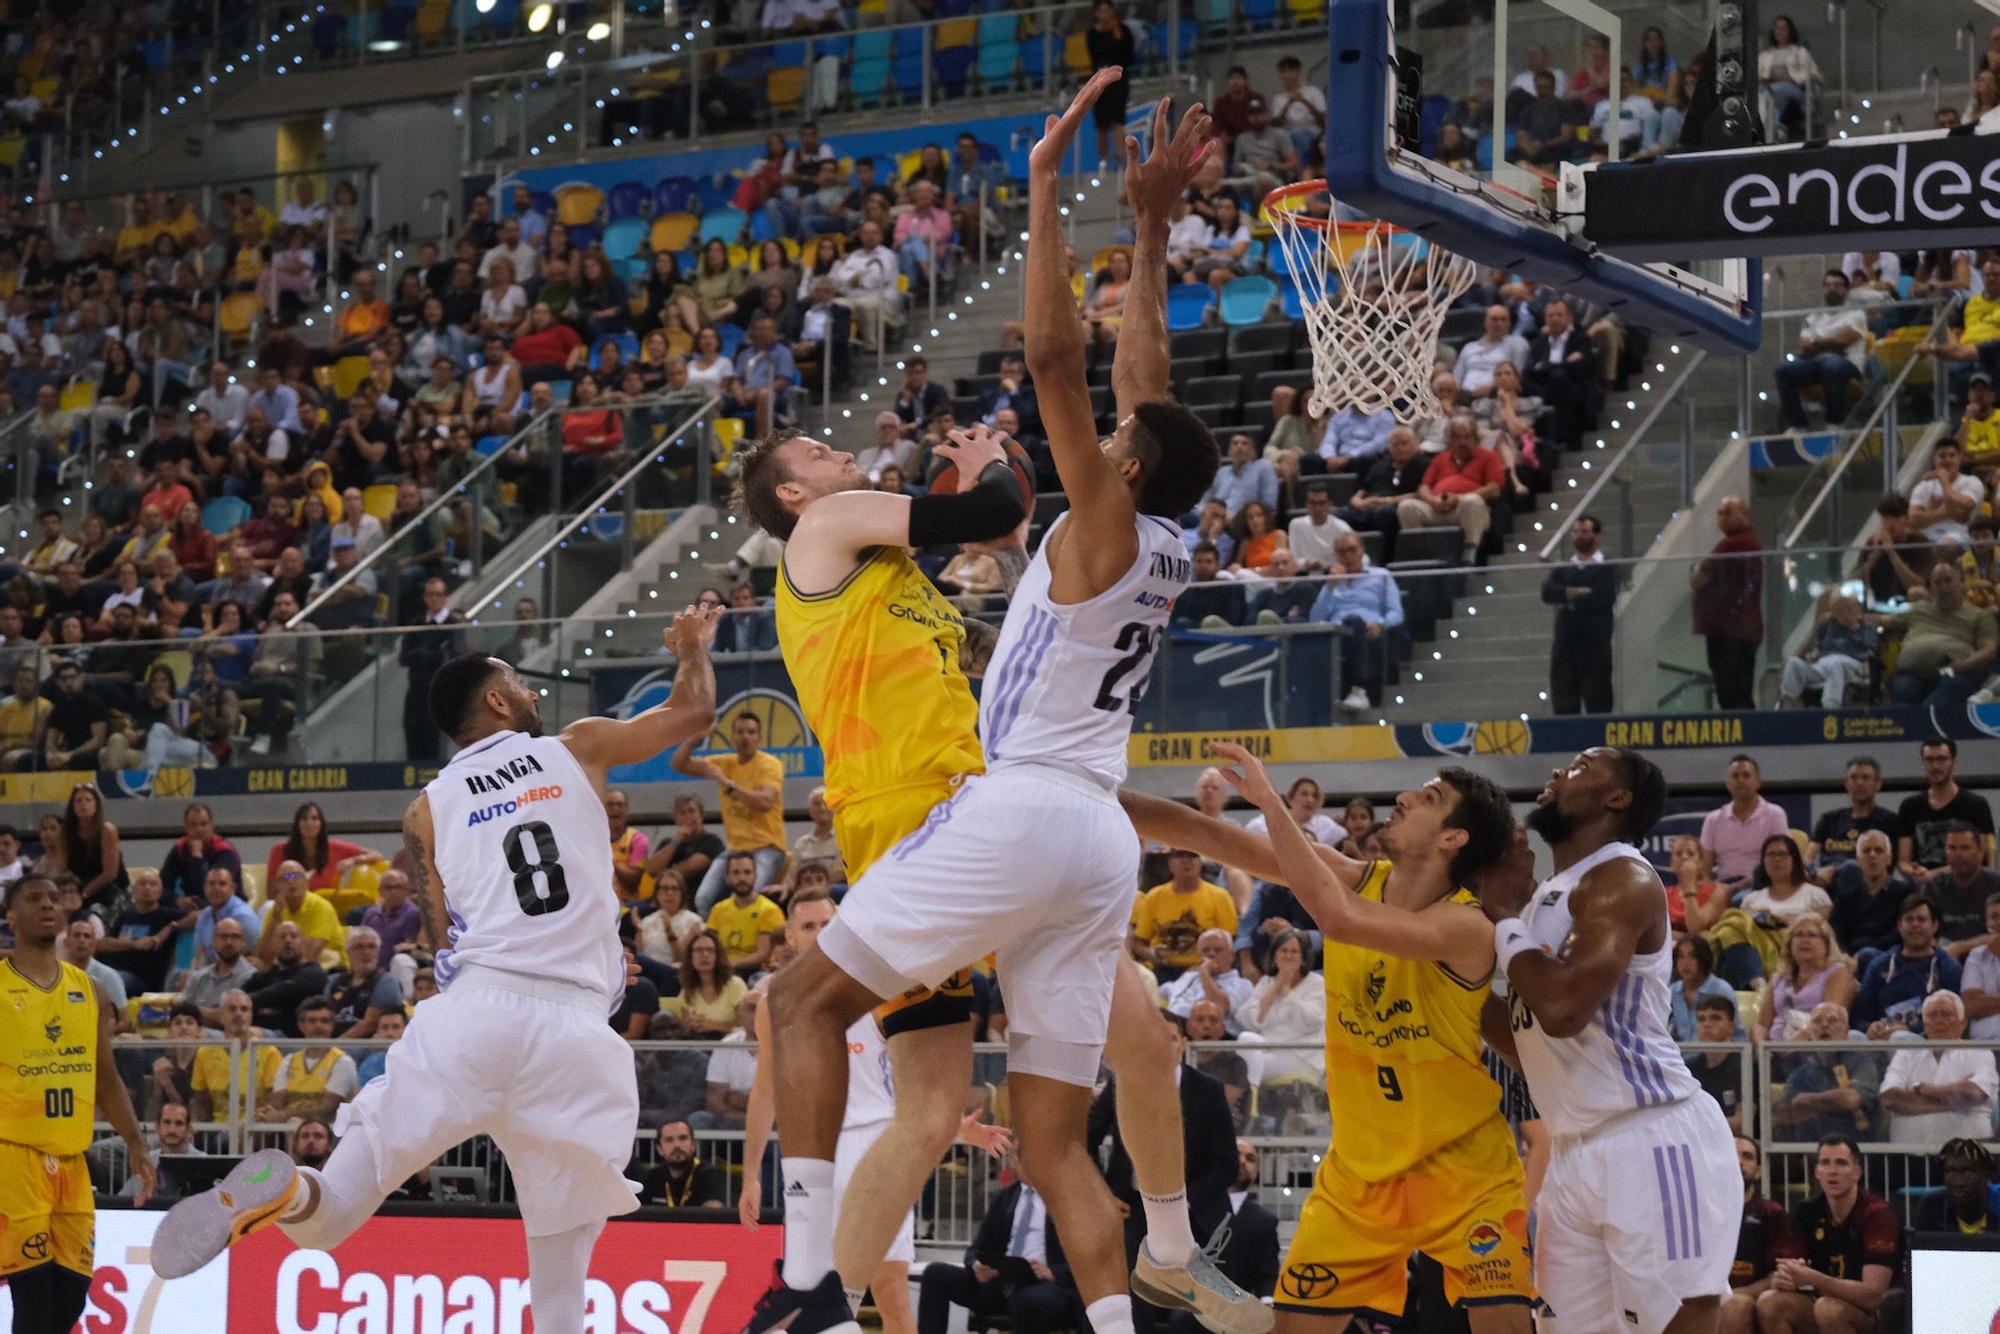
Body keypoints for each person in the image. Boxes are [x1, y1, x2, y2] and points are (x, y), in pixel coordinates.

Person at [741, 83, 1258, 1334]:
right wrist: (1145, 232)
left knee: (804, 1006)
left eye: (1121, 440)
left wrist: (1042, 191)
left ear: (1124, 466)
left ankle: (808, 1289)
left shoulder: (1102, 520)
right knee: (1062, 1122)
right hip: (1080, 832)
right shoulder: (1173, 532)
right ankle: (1154, 1276)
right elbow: (1146, 381)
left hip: (1010, 806)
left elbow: (1056, 365)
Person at [150, 605, 722, 1334]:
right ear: (496, 699)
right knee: (561, 1288)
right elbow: (695, 708)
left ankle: (288, 1191)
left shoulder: (426, 810)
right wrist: (694, 648)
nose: (536, 696)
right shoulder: (577, 748)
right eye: (522, 685)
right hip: (579, 1036)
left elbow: (442, 933)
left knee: (331, 1215)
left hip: (476, 1014)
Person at [1121, 742, 1534, 1332]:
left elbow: (1340, 919)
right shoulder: (1357, 877)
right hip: (1359, 1175)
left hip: (1464, 1170)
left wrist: (1268, 799)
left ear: (1453, 839)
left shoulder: (1467, 925)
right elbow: (1211, 836)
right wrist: (1077, 789)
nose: (1405, 796)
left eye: (1430, 798)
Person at [1477, 747, 1738, 1334]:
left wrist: (1500, 916)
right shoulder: (1549, 895)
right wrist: (1454, 992)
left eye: (1579, 767)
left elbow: (1564, 1008)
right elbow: (1536, 1048)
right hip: (1572, 1154)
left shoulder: (1624, 877)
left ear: (1617, 798)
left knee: (1674, 1324)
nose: (1556, 772)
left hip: (1651, 1136)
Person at [741, 891, 1013, 1334]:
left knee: (890, 1289)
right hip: (814, 1155)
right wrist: (751, 1172)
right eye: (808, 926)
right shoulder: (776, 1001)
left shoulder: (875, 987)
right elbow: (765, 1090)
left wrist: (952, 1130)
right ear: (789, 936)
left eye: (828, 924)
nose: (819, 934)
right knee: (816, 1293)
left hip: (880, 1141)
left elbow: (914, 1078)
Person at [0, 877, 156, 1333]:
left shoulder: (90, 991)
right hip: (14, 1159)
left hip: (72, 1163)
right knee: (34, 1296)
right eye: (34, 899)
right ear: (11, 917)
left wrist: (136, 1142)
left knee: (69, 1301)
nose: (48, 904)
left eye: (53, 898)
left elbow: (106, 1078)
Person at [1086, 1010, 1239, 1332]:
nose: (1160, 1046)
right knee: (1132, 1305)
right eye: (1153, 1039)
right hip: (1134, 1208)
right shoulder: (1122, 1084)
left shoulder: (1208, 1090)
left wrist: (1181, 1201)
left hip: (1192, 1212)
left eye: (1170, 1038)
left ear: (1183, 1043)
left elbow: (1227, 1164)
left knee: (1201, 1315)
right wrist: (1101, 1194)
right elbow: (1085, 1138)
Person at [917, 1162, 1084, 1334]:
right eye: (1016, 1155)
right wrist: (977, 1266)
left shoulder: (1064, 1199)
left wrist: (1052, 1272)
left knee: (1026, 1301)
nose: (1020, 1161)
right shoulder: (1005, 1197)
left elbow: (1087, 1259)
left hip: (1044, 1284)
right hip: (1000, 1282)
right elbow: (976, 1250)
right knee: (935, 1274)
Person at [1756, 1135, 1900, 1332]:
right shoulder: (1808, 1210)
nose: (1832, 1171)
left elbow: (1872, 1296)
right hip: (1823, 1301)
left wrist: (1813, 1278)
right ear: (1816, 1171)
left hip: (1874, 1314)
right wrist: (1785, 1277)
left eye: (1841, 1163)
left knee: (1829, 1310)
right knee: (1769, 1302)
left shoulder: (1878, 1214)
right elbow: (1791, 1265)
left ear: (1857, 1172)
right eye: (1825, 1163)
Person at [673, 713, 788, 913]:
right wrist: (694, 739)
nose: (745, 737)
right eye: (740, 732)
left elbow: (765, 802)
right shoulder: (725, 763)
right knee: (703, 898)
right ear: (733, 737)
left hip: (768, 848)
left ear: (760, 738)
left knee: (753, 895)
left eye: (751, 732)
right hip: (735, 849)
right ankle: (711, 943)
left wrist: (728, 785)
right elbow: (679, 765)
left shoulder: (770, 764)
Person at [1878, 989, 1998, 1144]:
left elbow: (1973, 1093)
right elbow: (1890, 1098)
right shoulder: (1907, 1053)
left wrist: (1921, 1089)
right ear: (1925, 1024)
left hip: (1965, 1158)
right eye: (1932, 1015)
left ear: (1962, 1023)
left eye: (1946, 1014)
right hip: (1910, 1156)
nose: (1939, 1020)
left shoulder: (1978, 1052)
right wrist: (1956, 1102)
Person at [1848, 894, 1961, 1038]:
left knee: (1900, 1038)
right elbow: (1859, 1016)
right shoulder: (1878, 965)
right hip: (1881, 1042)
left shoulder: (1949, 969)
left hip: (1927, 1044)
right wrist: (1869, 1027)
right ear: (1899, 926)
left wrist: (1909, 1031)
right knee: (1854, 1037)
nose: (1915, 924)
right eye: (1909, 919)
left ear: (1934, 926)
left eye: (1921, 919)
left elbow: (1955, 1019)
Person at [1692, 495, 1764, 709]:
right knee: (1730, 688)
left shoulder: (1739, 544)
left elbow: (1702, 575)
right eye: (1720, 513)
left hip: (1733, 631)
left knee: (1733, 690)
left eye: (1728, 512)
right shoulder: (1733, 544)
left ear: (1744, 513)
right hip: (1729, 629)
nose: (1722, 518)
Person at [1774, 270, 1868, 431]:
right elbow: (1803, 348)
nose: (1832, 288)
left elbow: (1843, 342)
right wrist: (1827, 343)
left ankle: (1835, 422)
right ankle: (1797, 424)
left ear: (1846, 289)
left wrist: (1817, 343)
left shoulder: (1856, 314)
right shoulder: (1813, 317)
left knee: (1830, 364)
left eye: (1837, 285)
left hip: (1848, 364)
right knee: (1783, 370)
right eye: (1828, 285)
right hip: (1816, 364)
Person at [1542, 513, 1617, 714]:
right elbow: (1548, 591)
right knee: (1564, 705)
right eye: (1576, 532)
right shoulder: (1563, 569)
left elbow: (1602, 598)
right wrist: (1574, 593)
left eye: (1584, 532)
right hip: (1565, 647)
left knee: (1598, 704)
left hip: (1595, 648)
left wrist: (1567, 597)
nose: (1579, 536)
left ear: (1596, 536)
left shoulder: (1606, 569)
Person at [1717, 1137, 1793, 1329]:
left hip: (1749, 1298)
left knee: (1735, 1306)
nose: (1739, 1161)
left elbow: (1778, 1275)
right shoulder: (1702, 1212)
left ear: (1758, 1171)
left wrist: (1733, 1295)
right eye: (1732, 1154)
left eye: (1747, 1157)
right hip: (1706, 1298)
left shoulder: (1772, 1213)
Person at [1132, 851, 1240, 983]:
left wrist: (1203, 967)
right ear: (1169, 863)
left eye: (1192, 856)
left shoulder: (1220, 897)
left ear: (1200, 862)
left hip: (1206, 971)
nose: (1186, 860)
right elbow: (1139, 942)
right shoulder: (1155, 896)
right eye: (1179, 856)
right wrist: (1150, 954)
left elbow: (1229, 942)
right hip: (1162, 969)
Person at [1896, 736, 1995, 878]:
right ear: (1923, 763)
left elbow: (1985, 856)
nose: (1935, 766)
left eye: (1941, 759)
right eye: (1929, 760)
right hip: (1922, 886)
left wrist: (1934, 875)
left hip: (1966, 882)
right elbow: (1903, 862)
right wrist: (1916, 872)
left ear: (1954, 762)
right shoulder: (1909, 806)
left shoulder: (1976, 804)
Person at [1701, 754, 1789, 890]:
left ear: (1758, 782)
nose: (1741, 780)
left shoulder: (1775, 814)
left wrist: (1740, 886)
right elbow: (1704, 870)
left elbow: (1780, 863)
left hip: (1761, 886)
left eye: (1746, 775)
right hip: (1722, 889)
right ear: (1728, 784)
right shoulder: (1713, 819)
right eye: (1735, 776)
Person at [1807, 757, 1898, 885]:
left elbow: (1883, 866)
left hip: (1868, 889)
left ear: (1878, 784)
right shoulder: (1829, 819)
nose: (1859, 783)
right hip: (1826, 887)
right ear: (1846, 784)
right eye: (1854, 778)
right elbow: (1808, 858)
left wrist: (1834, 869)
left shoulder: (1890, 821)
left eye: (1865, 778)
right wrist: (1809, 872)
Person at [1912, 1138, 1999, 1234]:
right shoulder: (1931, 1206)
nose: (1959, 1183)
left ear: (1986, 1175)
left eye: (1968, 1172)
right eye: (1950, 1171)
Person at [638, 1118, 727, 1207]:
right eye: (669, 1140)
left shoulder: (710, 1175)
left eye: (683, 1138)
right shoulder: (652, 1177)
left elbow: (712, 1215)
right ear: (659, 1149)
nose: (677, 1145)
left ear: (693, 1144)